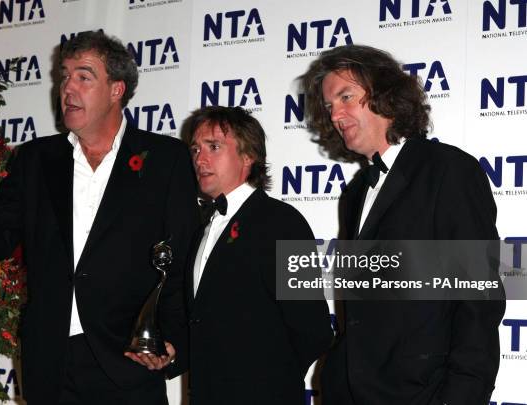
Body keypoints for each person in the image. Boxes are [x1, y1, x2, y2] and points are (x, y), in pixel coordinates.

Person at [0, 31, 199, 404]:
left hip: (129, 361)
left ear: (117, 90)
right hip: (50, 365)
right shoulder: (35, 160)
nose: (67, 88)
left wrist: (173, 340)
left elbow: (182, 259)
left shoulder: (165, 159)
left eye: (84, 76)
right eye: (64, 76)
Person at [301, 44, 505, 405]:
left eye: (346, 97)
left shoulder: (447, 171)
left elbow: (478, 300)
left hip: (421, 394)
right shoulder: (355, 194)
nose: (336, 115)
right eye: (330, 106)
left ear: (385, 94)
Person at [180, 106, 333, 405]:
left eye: (214, 147)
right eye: (196, 149)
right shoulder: (203, 229)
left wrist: (266, 382)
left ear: (248, 156)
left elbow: (313, 328)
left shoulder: (281, 222)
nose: (200, 158)